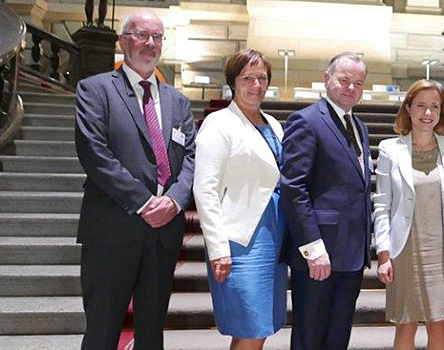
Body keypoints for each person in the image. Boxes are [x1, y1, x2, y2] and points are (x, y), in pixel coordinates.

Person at [74, 12, 195, 350]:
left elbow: (192, 159)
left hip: (163, 234)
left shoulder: (179, 102)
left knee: (152, 332)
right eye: (142, 35)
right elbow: (94, 154)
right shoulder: (95, 90)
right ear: (124, 41)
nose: (151, 43)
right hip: (113, 231)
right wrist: (143, 202)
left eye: (157, 37)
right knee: (102, 330)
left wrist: (173, 201)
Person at [192, 49, 286, 350]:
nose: (256, 85)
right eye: (248, 78)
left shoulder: (274, 124)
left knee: (261, 325)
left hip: (273, 234)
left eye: (262, 78)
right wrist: (218, 248)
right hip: (239, 240)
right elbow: (204, 188)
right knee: (250, 324)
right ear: (233, 81)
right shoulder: (219, 123)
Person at [280, 52, 373, 350]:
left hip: (351, 252)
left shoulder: (359, 127)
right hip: (319, 254)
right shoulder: (306, 121)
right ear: (326, 78)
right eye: (344, 80)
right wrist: (312, 248)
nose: (351, 88)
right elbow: (294, 188)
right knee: (310, 336)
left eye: (358, 83)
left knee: (337, 337)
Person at [373, 79, 444, 350]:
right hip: (404, 249)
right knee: (405, 325)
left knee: (438, 326)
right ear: (408, 108)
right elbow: (382, 205)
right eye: (420, 106)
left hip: (442, 248)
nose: (427, 113)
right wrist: (383, 254)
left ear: (441, 112)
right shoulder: (389, 149)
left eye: (434, 106)